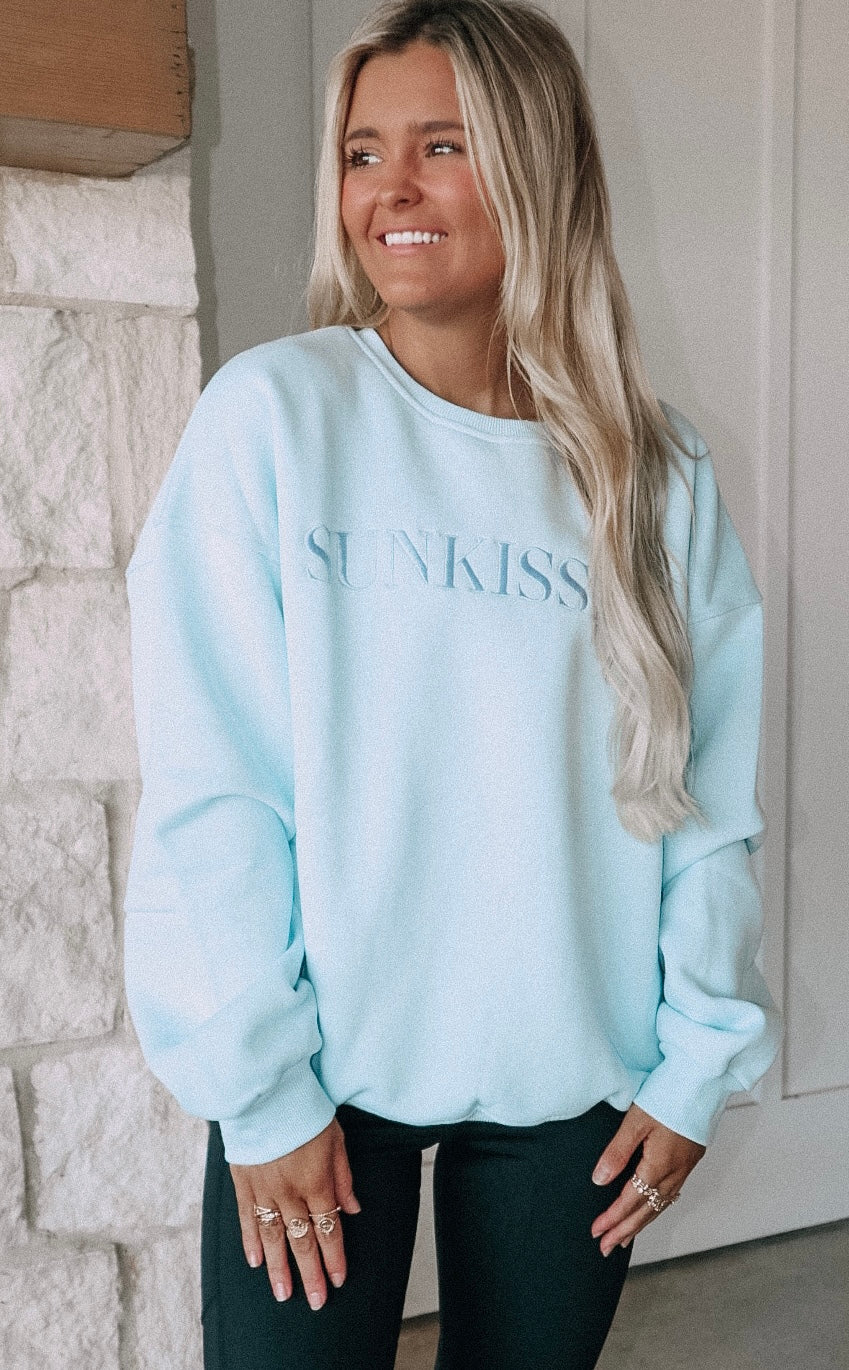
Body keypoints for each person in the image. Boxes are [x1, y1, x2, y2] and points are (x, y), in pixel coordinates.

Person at [122, 2, 782, 1367]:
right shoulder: (275, 416)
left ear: (539, 169)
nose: (391, 191)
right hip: (317, 1077)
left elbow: (704, 791)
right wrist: (259, 1087)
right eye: (362, 154)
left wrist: (697, 1058)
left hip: (578, 1083)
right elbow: (213, 782)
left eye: (442, 146)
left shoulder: (655, 470)